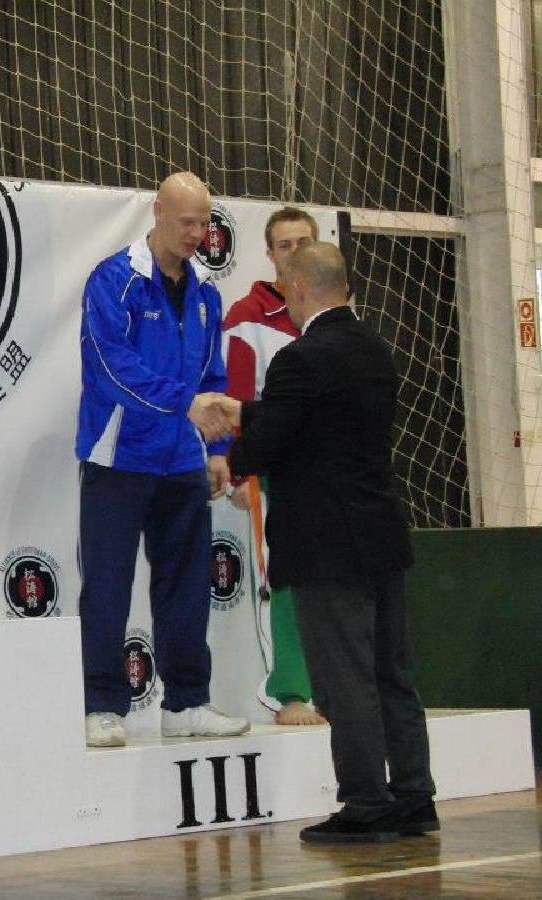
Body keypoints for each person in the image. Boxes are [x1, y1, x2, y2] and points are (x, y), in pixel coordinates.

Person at [222, 241, 436, 843]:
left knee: (346, 679)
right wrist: (243, 411)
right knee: (392, 674)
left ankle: (366, 803)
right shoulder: (374, 349)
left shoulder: (300, 358)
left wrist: (232, 456)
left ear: (297, 289)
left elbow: (276, 437)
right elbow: (314, 419)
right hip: (381, 535)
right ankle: (415, 797)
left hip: (326, 545)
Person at [77, 172, 250, 748]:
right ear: (157, 212)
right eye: (186, 222)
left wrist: (218, 449)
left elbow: (213, 375)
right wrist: (185, 404)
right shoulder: (113, 280)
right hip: (117, 457)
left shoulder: (206, 293)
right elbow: (111, 367)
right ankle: (102, 705)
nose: (197, 234)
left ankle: (187, 702)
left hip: (181, 461)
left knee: (186, 586)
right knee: (108, 585)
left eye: (203, 223)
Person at [222, 206, 326, 727]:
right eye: (285, 245)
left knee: (333, 581)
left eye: (303, 242)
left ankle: (330, 684)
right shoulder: (247, 315)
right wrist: (242, 475)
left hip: (327, 471)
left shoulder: (331, 315)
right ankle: (289, 692)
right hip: (273, 473)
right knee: (280, 580)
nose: (295, 251)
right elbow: (235, 399)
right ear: (269, 254)